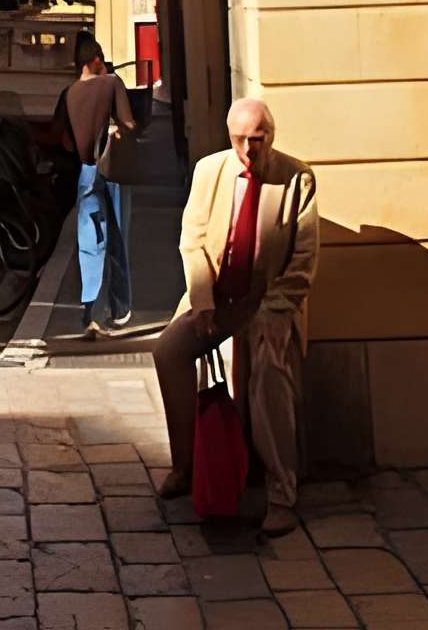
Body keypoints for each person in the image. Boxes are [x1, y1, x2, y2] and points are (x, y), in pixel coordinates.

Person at [154, 96, 319, 539]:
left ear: (271, 136)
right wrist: (202, 300)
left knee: (268, 374)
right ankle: (186, 466)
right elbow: (192, 241)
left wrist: (271, 312)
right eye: (241, 140)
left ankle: (282, 493)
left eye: (258, 140)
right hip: (218, 299)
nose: (249, 150)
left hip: (267, 302)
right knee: (168, 351)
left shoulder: (296, 179)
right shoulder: (211, 170)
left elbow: (302, 263)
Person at [64, 38, 136, 333]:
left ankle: (89, 310)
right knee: (119, 238)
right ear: (95, 59)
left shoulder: (68, 94)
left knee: (90, 241)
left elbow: (64, 139)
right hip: (112, 171)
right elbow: (129, 123)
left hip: (85, 173)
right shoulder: (112, 83)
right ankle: (119, 310)